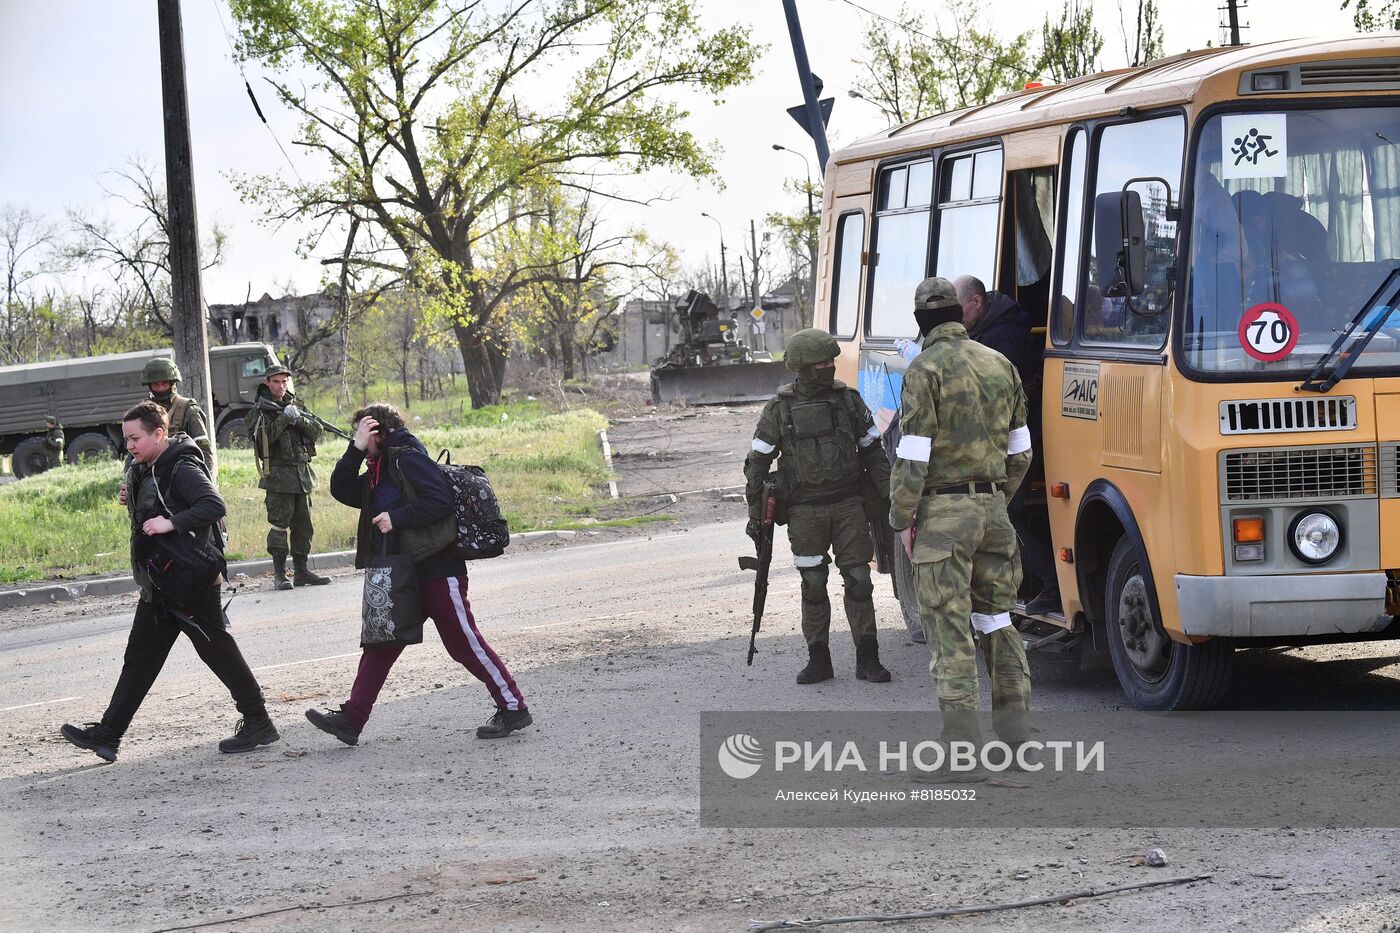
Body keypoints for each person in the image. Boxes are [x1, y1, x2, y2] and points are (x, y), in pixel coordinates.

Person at [59, 401, 278, 762]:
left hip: (190, 583)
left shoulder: (181, 465)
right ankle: (109, 735)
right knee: (140, 658)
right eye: (126, 438)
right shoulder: (146, 466)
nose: (129, 445)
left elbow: (213, 505)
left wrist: (170, 523)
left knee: (217, 651)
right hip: (161, 582)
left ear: (159, 434)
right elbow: (158, 503)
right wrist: (133, 497)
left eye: (136, 438)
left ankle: (259, 721)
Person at [306, 403, 531, 745]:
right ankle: (352, 719)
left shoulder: (407, 459)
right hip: (403, 570)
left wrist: (397, 518)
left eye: (362, 432)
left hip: (438, 567)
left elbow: (440, 501)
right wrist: (355, 449)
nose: (358, 438)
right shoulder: (380, 468)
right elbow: (342, 489)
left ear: (377, 431)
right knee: (382, 643)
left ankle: (514, 706)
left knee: (463, 643)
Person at [889, 277, 1034, 767]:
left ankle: (961, 756)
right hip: (993, 515)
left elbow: (913, 455)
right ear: (958, 313)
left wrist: (902, 517)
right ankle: (1016, 740)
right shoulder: (999, 363)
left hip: (942, 520)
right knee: (998, 623)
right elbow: (1021, 451)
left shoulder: (923, 369)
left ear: (921, 321)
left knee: (950, 636)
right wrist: (994, 500)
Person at [744, 328, 893, 685]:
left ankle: (868, 659)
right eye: (821, 363)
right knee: (812, 583)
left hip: (849, 505)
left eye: (831, 361)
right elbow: (757, 463)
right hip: (804, 511)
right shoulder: (779, 409)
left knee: (859, 580)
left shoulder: (849, 400)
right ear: (803, 367)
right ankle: (818, 660)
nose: (829, 367)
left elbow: (873, 452)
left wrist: (891, 496)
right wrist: (755, 516)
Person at [953, 275, 1058, 615]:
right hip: (1010, 435)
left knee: (1004, 512)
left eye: (959, 309)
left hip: (1018, 437)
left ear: (977, 302)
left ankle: (1052, 584)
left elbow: (988, 395)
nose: (956, 319)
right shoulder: (987, 330)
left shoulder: (1002, 337)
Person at [248, 364, 332, 590]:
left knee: (304, 526)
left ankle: (301, 572)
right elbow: (263, 440)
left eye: (284, 381)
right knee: (279, 526)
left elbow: (317, 431)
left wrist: (299, 420)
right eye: (276, 381)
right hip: (278, 477)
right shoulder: (260, 410)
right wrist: (284, 419)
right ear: (267, 382)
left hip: (302, 475)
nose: (281, 386)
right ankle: (279, 574)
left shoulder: (297, 405)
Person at [141, 357, 213, 470]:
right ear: (149, 385)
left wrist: (204, 478)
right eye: (155, 384)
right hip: (150, 474)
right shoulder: (143, 411)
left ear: (172, 383)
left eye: (165, 383)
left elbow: (204, 450)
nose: (160, 388)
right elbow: (133, 452)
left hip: (182, 473)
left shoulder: (189, 410)